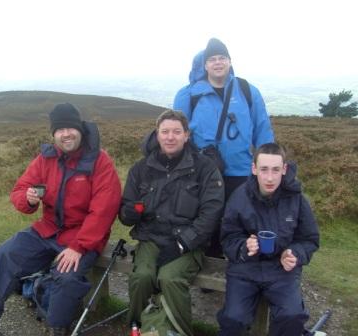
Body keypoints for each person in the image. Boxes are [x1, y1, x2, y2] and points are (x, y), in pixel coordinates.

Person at [0, 103, 122, 336]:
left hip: (81, 236)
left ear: (80, 129)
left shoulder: (99, 161)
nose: (66, 134)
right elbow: (19, 190)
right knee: (4, 255)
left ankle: (57, 328)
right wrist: (28, 199)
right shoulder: (46, 158)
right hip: (48, 230)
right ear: (53, 134)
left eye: (70, 128)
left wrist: (79, 247)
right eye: (59, 130)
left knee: (67, 278)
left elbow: (105, 209)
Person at [119, 110, 225, 336]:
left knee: (169, 278)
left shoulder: (205, 168)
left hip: (188, 244)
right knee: (142, 277)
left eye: (177, 132)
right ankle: (136, 327)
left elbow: (211, 215)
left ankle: (179, 331)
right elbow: (125, 215)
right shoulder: (141, 168)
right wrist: (130, 212)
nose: (170, 137)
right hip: (150, 240)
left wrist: (181, 245)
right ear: (157, 135)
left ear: (187, 135)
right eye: (165, 131)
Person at [173, 37, 275, 257]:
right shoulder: (188, 94)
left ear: (229, 61)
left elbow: (262, 128)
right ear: (205, 64)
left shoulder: (247, 91)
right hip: (203, 170)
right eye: (212, 59)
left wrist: (268, 164)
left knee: (240, 217)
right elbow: (178, 132)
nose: (218, 63)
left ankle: (243, 262)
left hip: (240, 169)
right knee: (207, 217)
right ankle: (210, 265)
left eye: (222, 58)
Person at [216, 143, 320, 336]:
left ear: (284, 169)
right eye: (264, 169)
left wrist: (294, 253)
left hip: (281, 271)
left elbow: (310, 239)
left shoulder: (296, 199)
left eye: (276, 170)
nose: (270, 178)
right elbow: (227, 239)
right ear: (254, 169)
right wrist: (244, 246)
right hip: (244, 269)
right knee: (233, 319)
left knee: (292, 317)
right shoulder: (239, 197)